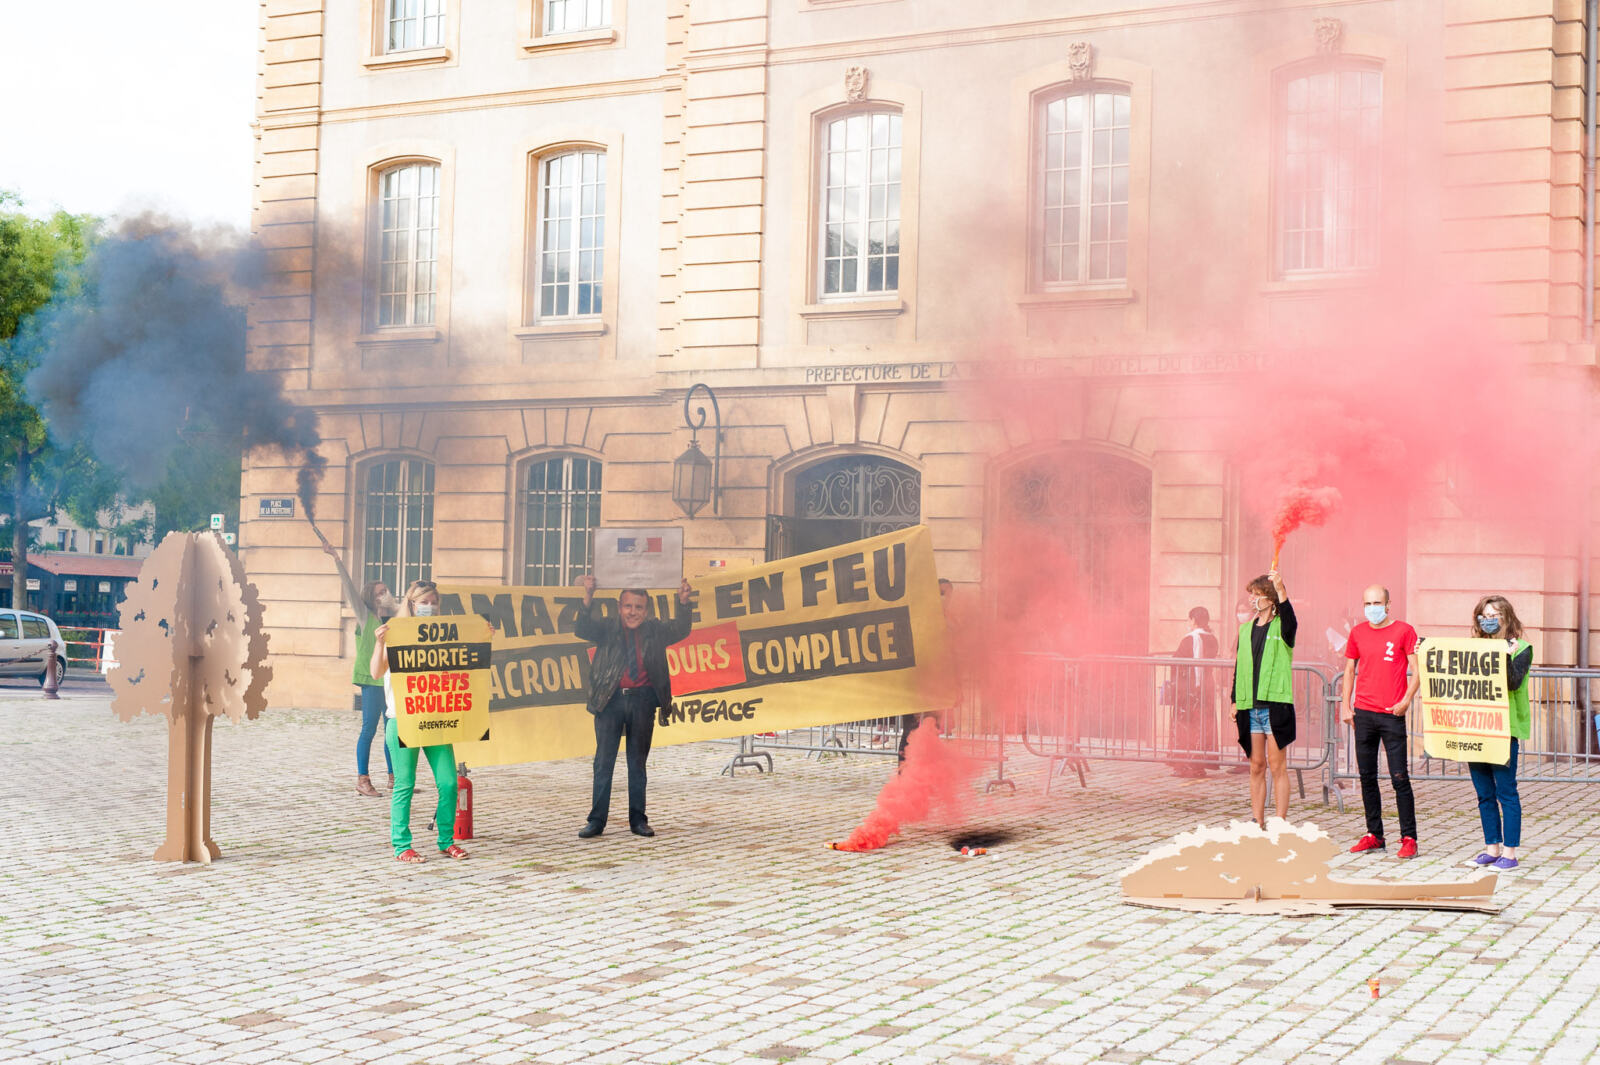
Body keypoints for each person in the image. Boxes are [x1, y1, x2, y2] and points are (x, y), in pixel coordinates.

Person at [575, 575, 694, 839]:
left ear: (646, 610)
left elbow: (681, 629)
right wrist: (588, 595)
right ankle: (596, 821)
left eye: (638, 607)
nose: (633, 612)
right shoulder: (607, 628)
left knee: (637, 764)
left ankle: (638, 820)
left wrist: (684, 602)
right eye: (628, 606)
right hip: (610, 701)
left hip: (643, 701)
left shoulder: (655, 630)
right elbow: (582, 628)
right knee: (603, 763)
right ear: (619, 607)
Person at [370, 580, 467, 863]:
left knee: (449, 783)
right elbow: (376, 672)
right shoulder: (395, 632)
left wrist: (483, 636)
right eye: (423, 602)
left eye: (433, 602)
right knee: (405, 784)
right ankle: (402, 846)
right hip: (403, 720)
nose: (429, 607)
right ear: (411, 605)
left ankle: (446, 841)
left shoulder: (444, 635)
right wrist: (380, 643)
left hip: (436, 719)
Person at [1340, 585, 1420, 857]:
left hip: (1392, 714)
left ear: (1388, 605)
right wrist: (1345, 705)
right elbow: (1349, 669)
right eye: (1367, 603)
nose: (1372, 608)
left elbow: (1417, 671)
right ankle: (1374, 834)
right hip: (1363, 713)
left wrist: (1406, 701)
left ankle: (1409, 838)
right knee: (1367, 777)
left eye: (1377, 603)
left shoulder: (1404, 631)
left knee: (1399, 777)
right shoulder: (1357, 633)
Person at [320, 535, 396, 798]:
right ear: (371, 598)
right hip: (370, 680)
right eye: (380, 592)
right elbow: (350, 589)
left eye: (386, 590)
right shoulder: (365, 616)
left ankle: (394, 777)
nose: (385, 594)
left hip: (390, 679)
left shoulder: (393, 617)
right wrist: (337, 558)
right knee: (369, 729)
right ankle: (363, 779)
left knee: (392, 729)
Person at [1466, 595, 1533, 872]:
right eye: (1484, 615)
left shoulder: (1522, 649)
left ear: (1506, 617)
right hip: (1477, 727)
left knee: (1506, 792)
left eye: (1494, 615)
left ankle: (1510, 853)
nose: (1489, 620)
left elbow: (1513, 682)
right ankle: (1491, 848)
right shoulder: (1475, 647)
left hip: (1504, 729)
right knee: (1484, 793)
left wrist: (1505, 655)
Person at [1232, 569, 1296, 826]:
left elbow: (1290, 617)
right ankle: (1256, 820)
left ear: (1270, 599)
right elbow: (1239, 667)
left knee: (1278, 766)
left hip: (1274, 706)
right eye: (1251, 594)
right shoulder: (1245, 630)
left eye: (1257, 594)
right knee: (1256, 765)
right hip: (1250, 707)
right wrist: (1234, 700)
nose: (1252, 599)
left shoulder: (1283, 627)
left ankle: (1279, 820)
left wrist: (1281, 589)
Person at [899, 578, 954, 764]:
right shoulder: (920, 617)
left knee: (933, 729)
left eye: (947, 595)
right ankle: (904, 772)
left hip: (937, 684)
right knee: (911, 730)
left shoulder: (950, 619)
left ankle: (926, 771)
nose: (944, 599)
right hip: (916, 682)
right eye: (940, 594)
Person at [1169, 606, 1220, 778]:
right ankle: (1199, 764)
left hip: (1190, 690)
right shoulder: (1212, 638)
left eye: (1189, 619)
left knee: (1187, 726)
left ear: (1193, 620)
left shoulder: (1191, 638)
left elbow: (1182, 663)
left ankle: (1186, 764)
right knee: (1203, 725)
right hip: (1206, 688)